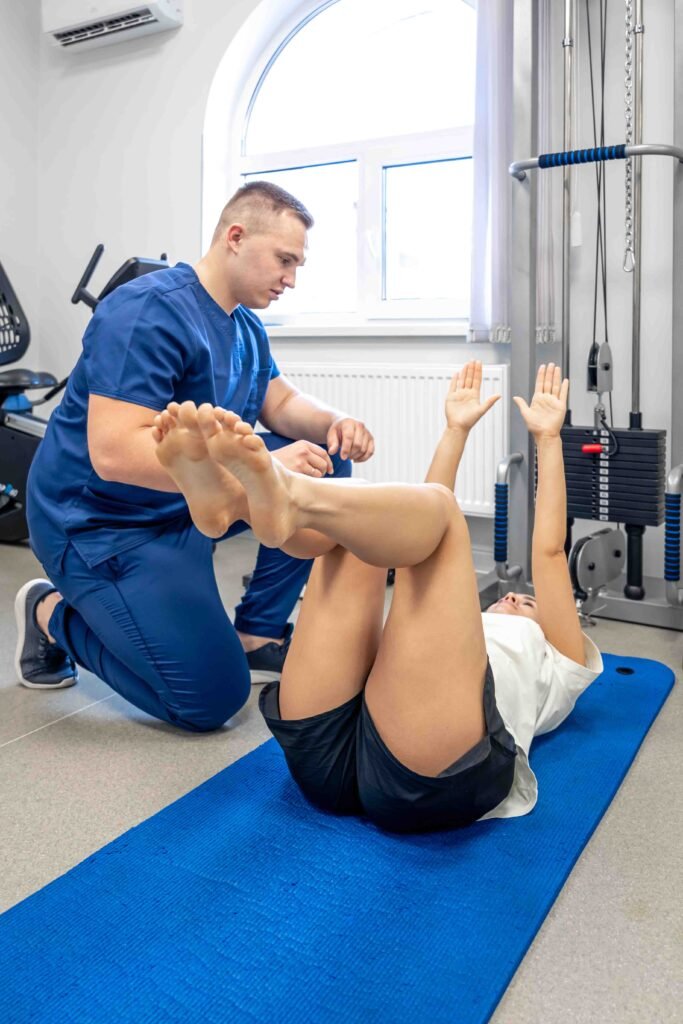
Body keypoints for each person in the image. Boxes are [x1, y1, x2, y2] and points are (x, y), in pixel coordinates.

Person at [145, 360, 603, 832]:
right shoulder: (455, 630)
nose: (512, 600)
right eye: (513, 598)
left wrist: (550, 440)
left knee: (429, 515)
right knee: (365, 527)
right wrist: (455, 430)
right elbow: (413, 529)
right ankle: (254, 504)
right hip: (328, 750)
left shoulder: (560, 658)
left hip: (433, 773)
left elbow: (549, 552)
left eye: (527, 605)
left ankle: (277, 503)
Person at [15, 182, 374, 732]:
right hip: (101, 525)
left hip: (184, 507)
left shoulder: (245, 326)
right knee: (208, 701)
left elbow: (278, 401)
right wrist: (266, 472)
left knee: (329, 461)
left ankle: (258, 632)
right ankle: (48, 613)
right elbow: (114, 453)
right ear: (236, 237)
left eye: (297, 265)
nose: (291, 279)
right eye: (284, 260)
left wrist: (333, 423)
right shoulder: (145, 311)